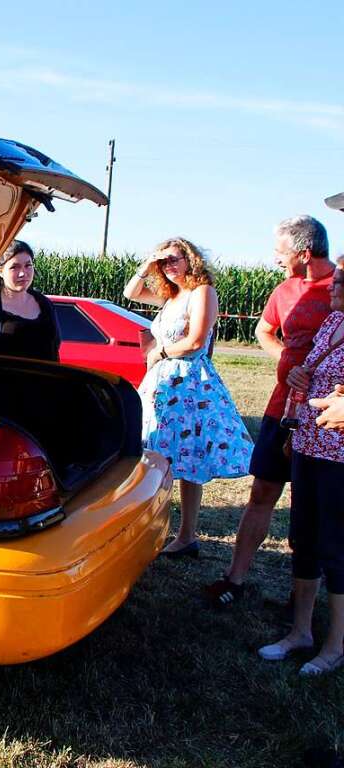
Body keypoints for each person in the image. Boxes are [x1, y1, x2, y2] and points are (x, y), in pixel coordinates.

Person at [206, 216, 335, 606]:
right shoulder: (284, 290)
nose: (275, 258)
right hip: (281, 408)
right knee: (262, 491)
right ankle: (235, 579)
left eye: (280, 252)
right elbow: (264, 329)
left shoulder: (339, 289)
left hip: (325, 418)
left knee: (311, 508)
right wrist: (286, 360)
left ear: (304, 253)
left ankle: (304, 599)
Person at [123, 237, 252, 557]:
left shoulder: (202, 292)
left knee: (189, 458)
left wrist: (161, 351)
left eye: (175, 260)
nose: (169, 267)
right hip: (162, 384)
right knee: (154, 454)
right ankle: (158, 529)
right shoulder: (171, 296)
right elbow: (131, 292)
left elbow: (195, 341)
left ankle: (187, 535)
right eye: (164, 263)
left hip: (190, 383)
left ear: (190, 260)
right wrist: (150, 260)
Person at [257, 259, 344, 675]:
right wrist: (297, 374)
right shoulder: (332, 323)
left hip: (340, 457)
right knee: (303, 538)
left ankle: (335, 645)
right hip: (309, 444)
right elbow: (310, 369)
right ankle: (301, 632)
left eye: (342, 281)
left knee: (337, 549)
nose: (333, 285)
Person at [0, 240, 59, 360]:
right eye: (14, 267)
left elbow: (55, 348)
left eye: (28, 265)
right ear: (1, 271)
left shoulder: (45, 304)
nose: (23, 273)